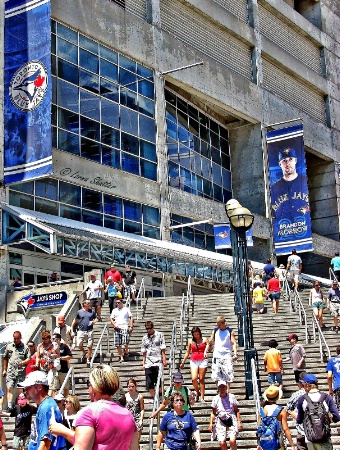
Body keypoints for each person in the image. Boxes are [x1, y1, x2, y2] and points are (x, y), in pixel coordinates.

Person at [50, 364, 138, 450]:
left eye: (89, 384)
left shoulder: (88, 413)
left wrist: (64, 432)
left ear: (94, 387)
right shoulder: (128, 415)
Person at [17, 371, 66, 450]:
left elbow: (46, 444)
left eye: (28, 387)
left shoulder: (46, 408)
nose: (25, 390)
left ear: (39, 387)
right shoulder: (46, 405)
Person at [297, 373, 340, 450]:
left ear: (307, 385)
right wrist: (329, 418)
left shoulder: (302, 399)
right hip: (325, 438)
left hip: (310, 439)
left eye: (303, 385)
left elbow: (299, 420)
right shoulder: (326, 398)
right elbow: (337, 417)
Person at [271, 146, 310, 223]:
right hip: (283, 230)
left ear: (295, 161)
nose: (287, 163)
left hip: (305, 227)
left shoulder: (306, 181)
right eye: (284, 160)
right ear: (280, 164)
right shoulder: (274, 188)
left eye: (290, 159)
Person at [204, 316, 237, 392]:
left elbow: (234, 343)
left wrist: (235, 353)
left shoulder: (229, 331)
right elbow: (210, 341)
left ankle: (227, 391)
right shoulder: (215, 331)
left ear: (223, 323)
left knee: (228, 373)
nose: (218, 326)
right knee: (216, 374)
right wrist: (205, 351)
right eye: (217, 324)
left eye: (219, 325)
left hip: (226, 354)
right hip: (217, 354)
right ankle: (219, 389)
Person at [258, 385, 295, 450]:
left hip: (264, 443)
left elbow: (259, 428)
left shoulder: (261, 410)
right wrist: (292, 445)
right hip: (278, 442)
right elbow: (286, 429)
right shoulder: (281, 410)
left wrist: (258, 443)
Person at [209, 379, 242, 450]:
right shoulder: (215, 399)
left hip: (231, 418)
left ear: (226, 387)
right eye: (220, 387)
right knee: (222, 442)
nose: (222, 389)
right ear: (218, 388)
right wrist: (211, 423)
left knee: (232, 440)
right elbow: (213, 413)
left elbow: (236, 410)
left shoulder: (232, 397)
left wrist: (239, 422)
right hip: (220, 420)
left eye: (223, 387)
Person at [2, 331, 30, 412]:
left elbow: (28, 358)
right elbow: (5, 358)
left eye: (17, 338)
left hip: (20, 371)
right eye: (15, 338)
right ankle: (10, 406)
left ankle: (20, 405)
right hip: (11, 371)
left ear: (20, 338)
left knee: (20, 389)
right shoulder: (9, 346)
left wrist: (22, 362)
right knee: (9, 388)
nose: (16, 340)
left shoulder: (25, 347)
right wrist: (4, 369)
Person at [180, 326, 209, 401]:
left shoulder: (205, 339)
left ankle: (202, 397)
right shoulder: (190, 341)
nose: (196, 336)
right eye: (194, 334)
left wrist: (207, 349)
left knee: (201, 379)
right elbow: (187, 352)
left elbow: (209, 347)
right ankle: (197, 392)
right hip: (194, 359)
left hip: (203, 359)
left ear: (200, 333)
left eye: (197, 334)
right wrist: (183, 362)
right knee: (194, 378)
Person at [141, 321, 167, 398]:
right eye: (147, 329)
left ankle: (160, 396)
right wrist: (143, 363)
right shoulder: (144, 338)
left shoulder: (159, 335)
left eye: (150, 328)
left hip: (158, 361)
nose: (148, 330)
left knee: (159, 381)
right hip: (148, 362)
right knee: (149, 382)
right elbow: (144, 351)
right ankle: (153, 398)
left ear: (153, 327)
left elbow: (163, 348)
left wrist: (164, 359)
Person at [71, 299, 98, 367]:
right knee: (79, 344)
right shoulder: (79, 312)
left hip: (89, 330)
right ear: (84, 304)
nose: (89, 304)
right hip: (81, 330)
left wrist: (94, 322)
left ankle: (88, 360)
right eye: (88, 303)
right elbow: (75, 320)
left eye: (89, 303)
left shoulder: (92, 311)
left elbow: (96, 318)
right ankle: (84, 352)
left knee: (89, 346)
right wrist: (72, 328)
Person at [285, 371, 307, 450]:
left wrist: (292, 413)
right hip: (318, 432)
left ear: (301, 383)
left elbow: (287, 410)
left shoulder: (297, 395)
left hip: (302, 431)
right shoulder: (321, 395)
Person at [36, 330, 60, 397]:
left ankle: (48, 398)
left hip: (51, 366)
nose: (45, 340)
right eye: (43, 338)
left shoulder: (54, 345)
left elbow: (58, 355)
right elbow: (37, 356)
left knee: (50, 383)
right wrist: (37, 363)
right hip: (42, 367)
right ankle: (45, 397)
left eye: (46, 338)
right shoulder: (40, 346)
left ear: (49, 338)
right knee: (43, 383)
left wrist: (53, 355)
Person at [110, 297, 134, 363]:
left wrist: (131, 326)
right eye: (116, 303)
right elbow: (111, 319)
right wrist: (114, 325)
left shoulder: (126, 309)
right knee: (118, 344)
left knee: (125, 342)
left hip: (124, 327)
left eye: (118, 302)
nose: (117, 304)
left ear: (122, 303)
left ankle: (126, 351)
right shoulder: (114, 310)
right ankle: (121, 356)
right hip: (117, 327)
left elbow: (131, 317)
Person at [125, 379, 144, 445]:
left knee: (136, 442)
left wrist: (141, 420)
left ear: (135, 386)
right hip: (128, 420)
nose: (131, 388)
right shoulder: (125, 397)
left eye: (132, 386)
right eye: (129, 386)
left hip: (137, 420)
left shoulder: (140, 397)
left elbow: (142, 409)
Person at [327, 345, 340, 410]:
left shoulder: (332, 361)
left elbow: (329, 376)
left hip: (338, 386)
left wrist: (330, 389)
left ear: (337, 352)